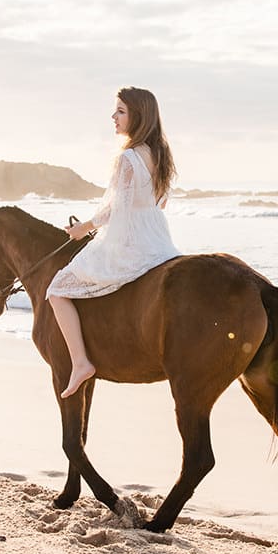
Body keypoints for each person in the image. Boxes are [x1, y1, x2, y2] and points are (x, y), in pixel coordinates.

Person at [46, 86, 181, 398]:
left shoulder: (129, 157)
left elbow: (116, 208)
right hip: (158, 238)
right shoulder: (161, 155)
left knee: (57, 288)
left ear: (138, 115)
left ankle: (80, 362)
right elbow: (158, 202)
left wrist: (84, 228)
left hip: (131, 239)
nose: (114, 117)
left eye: (120, 111)